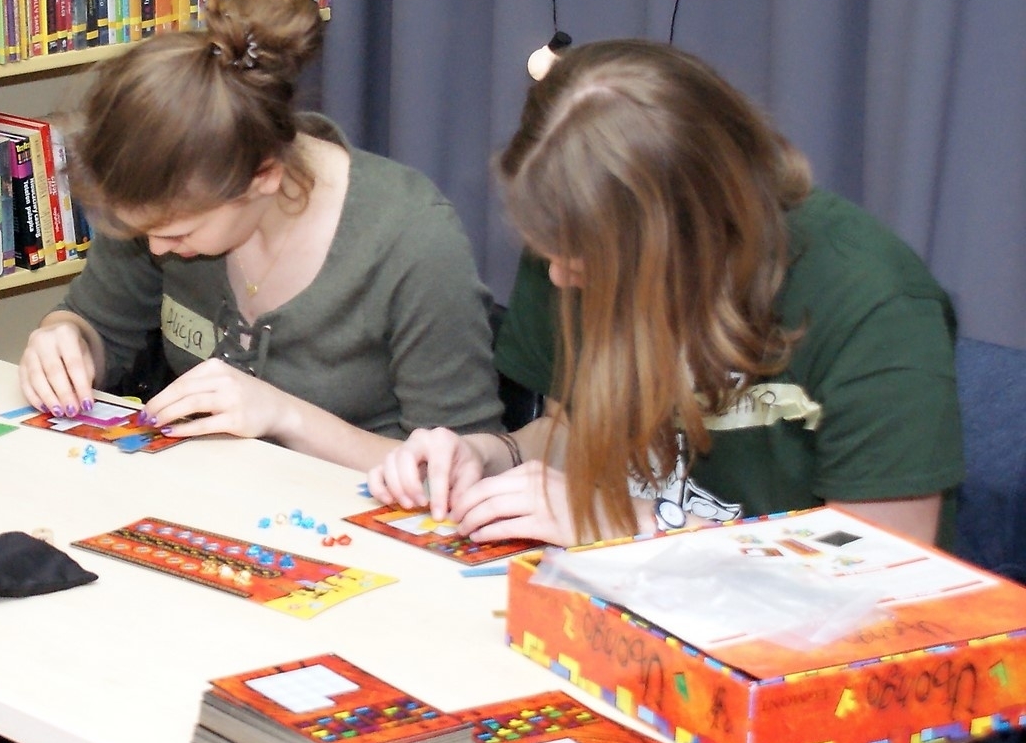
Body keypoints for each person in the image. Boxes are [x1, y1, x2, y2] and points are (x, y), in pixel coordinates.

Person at [369, 39, 963, 547]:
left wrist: (635, 526)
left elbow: (883, 575)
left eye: (587, 261)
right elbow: (578, 433)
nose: (559, 278)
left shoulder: (875, 304)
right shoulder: (576, 236)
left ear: (689, 234)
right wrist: (489, 457)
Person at [19, 0, 505, 468]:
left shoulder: (413, 240)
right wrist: (66, 339)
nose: (157, 247)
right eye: (143, 231)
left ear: (264, 176)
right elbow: (97, 324)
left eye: (179, 233)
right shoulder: (162, 195)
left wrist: (285, 416)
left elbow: (462, 466)